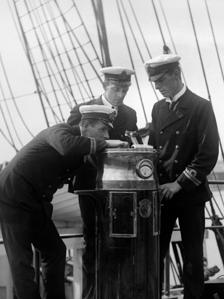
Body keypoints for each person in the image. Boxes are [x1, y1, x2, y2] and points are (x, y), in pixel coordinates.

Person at [0, 105, 127, 299]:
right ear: (85, 125)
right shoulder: (60, 131)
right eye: (103, 129)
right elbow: (66, 146)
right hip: (11, 198)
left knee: (55, 251)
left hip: (36, 202)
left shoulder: (81, 152)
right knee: (21, 262)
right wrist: (106, 145)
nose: (107, 135)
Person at [144, 54, 219, 299]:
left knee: (193, 258)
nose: (157, 86)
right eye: (154, 82)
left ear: (177, 74)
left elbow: (207, 154)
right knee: (154, 255)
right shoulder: (158, 108)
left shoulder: (200, 106)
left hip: (190, 194)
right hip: (163, 194)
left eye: (161, 80)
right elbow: (155, 150)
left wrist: (179, 183)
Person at [67, 66, 138, 298]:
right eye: (116, 89)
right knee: (93, 242)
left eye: (125, 89)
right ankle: (91, 294)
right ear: (105, 85)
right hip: (90, 186)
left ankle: (115, 292)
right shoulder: (82, 110)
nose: (121, 94)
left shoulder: (129, 114)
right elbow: (72, 143)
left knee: (120, 242)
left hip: (120, 189)